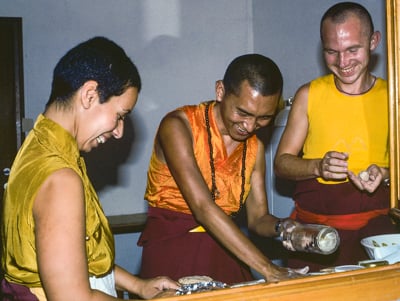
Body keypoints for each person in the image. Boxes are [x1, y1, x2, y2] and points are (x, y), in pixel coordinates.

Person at [0, 36, 179, 300]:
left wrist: (138, 285)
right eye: (119, 116)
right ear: (89, 95)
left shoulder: (36, 149)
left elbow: (71, 258)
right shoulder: (61, 178)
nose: (119, 132)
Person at [137, 53, 309, 285]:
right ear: (220, 91)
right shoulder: (178, 126)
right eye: (243, 113)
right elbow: (202, 207)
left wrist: (282, 227)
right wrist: (267, 269)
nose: (249, 126)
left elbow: (258, 218)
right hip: (172, 253)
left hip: (227, 252)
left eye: (263, 118)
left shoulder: (254, 147)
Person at [274, 2, 397, 272]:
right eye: (332, 52)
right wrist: (318, 166)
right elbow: (281, 163)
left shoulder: (393, 97)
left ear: (373, 41)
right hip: (315, 238)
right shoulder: (309, 95)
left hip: (374, 238)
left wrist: (386, 173)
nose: (343, 63)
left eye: (352, 49)